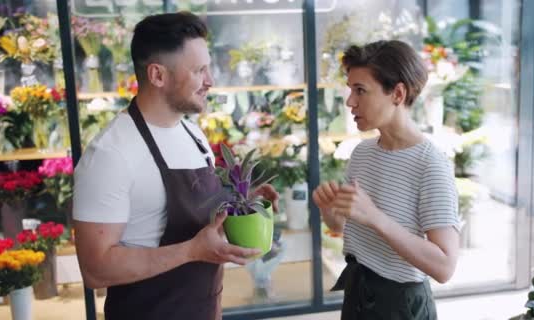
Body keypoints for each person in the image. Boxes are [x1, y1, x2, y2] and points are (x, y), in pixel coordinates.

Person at [72, 12, 278, 320]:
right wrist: (190, 251)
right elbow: (95, 269)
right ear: (157, 75)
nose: (210, 80)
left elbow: (198, 214)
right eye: (198, 70)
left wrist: (241, 201)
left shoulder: (191, 133)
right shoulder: (110, 154)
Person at [312, 40, 460, 320]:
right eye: (350, 89)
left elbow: (445, 266)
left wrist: (376, 217)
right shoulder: (362, 153)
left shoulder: (430, 164)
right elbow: (343, 227)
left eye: (360, 91)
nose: (349, 101)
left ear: (398, 93)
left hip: (402, 307)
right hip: (357, 293)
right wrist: (329, 211)